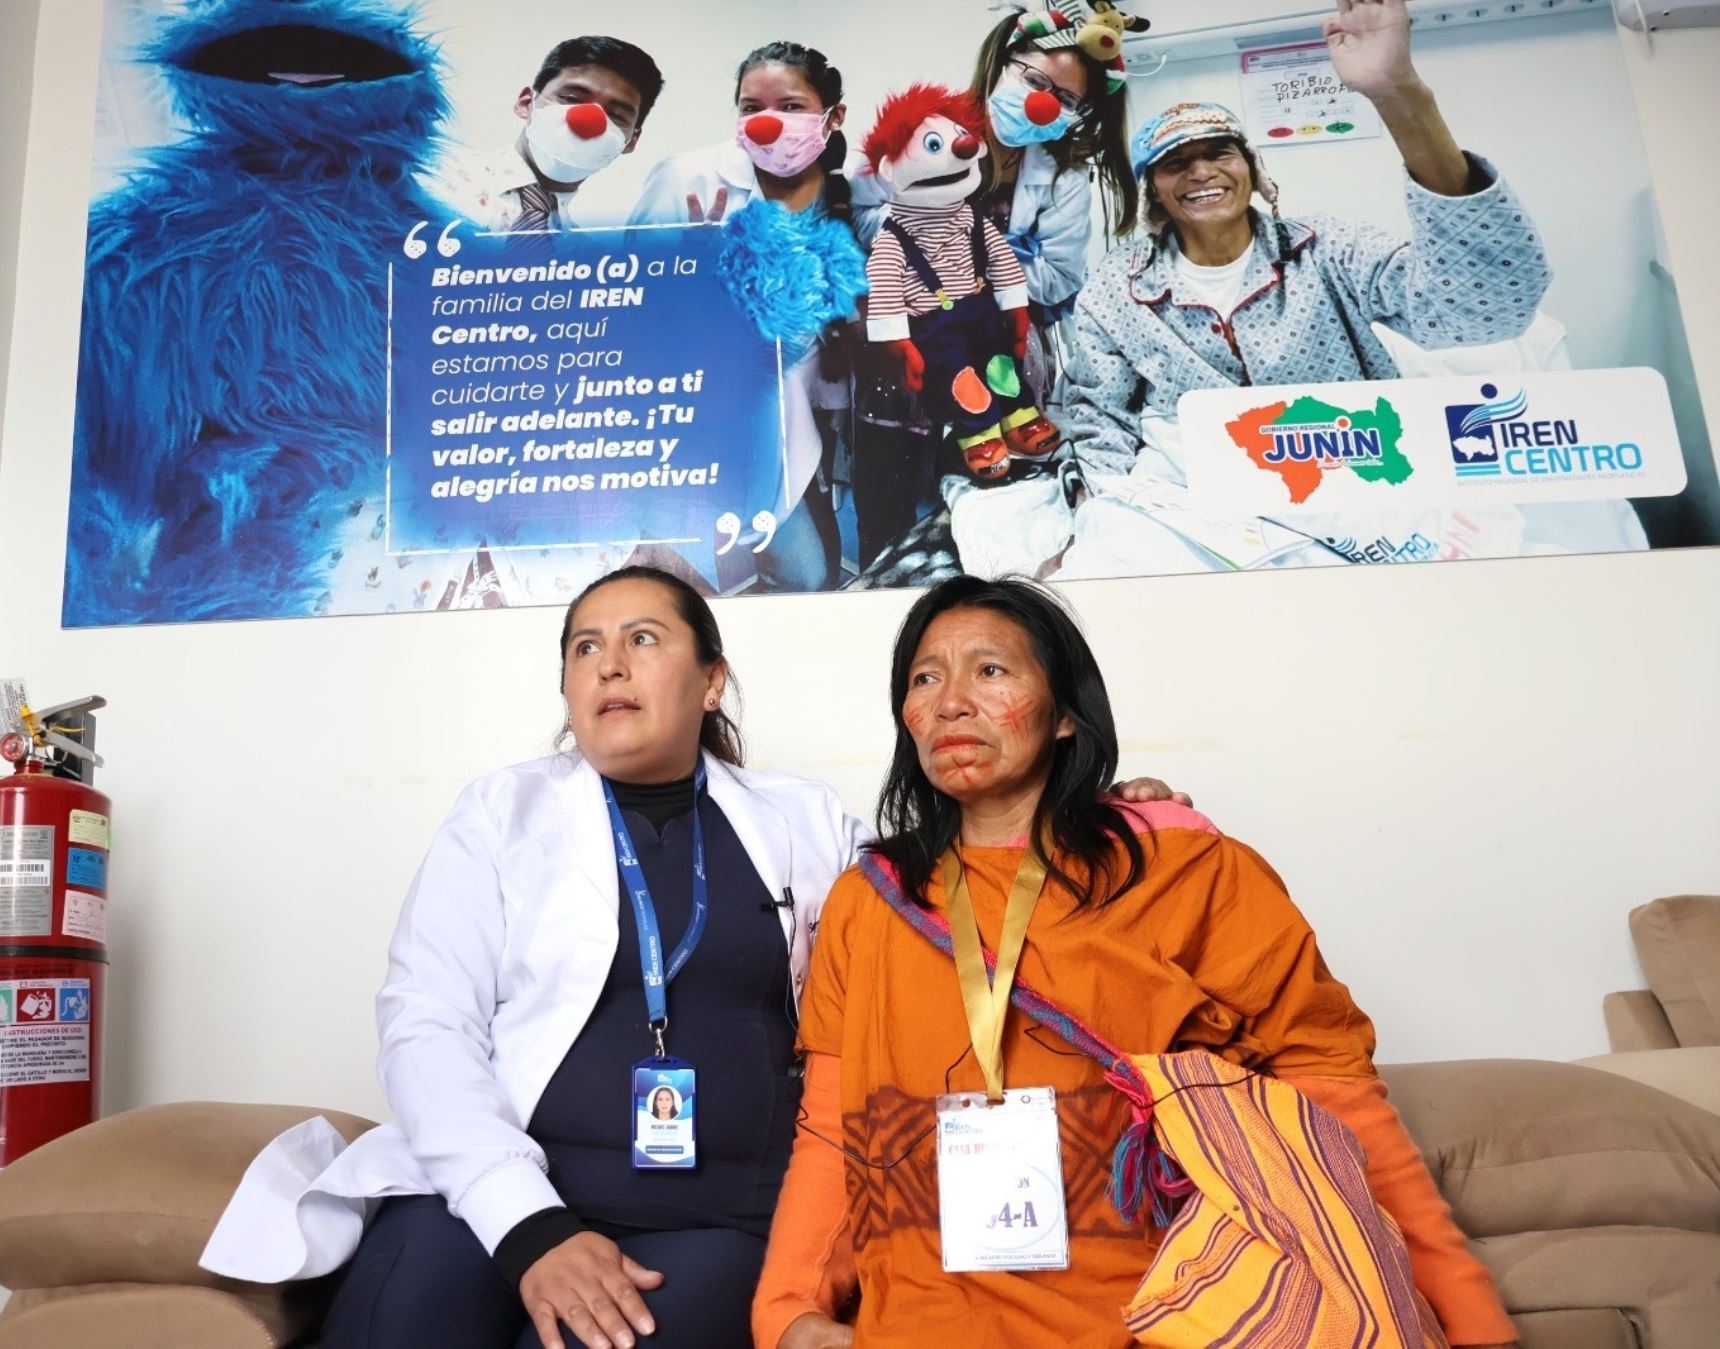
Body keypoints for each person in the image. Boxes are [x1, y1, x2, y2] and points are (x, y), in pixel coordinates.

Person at [196, 563, 1194, 1347]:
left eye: (642, 637)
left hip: (715, 1221)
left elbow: (951, 895)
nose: (609, 663)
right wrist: (530, 1227)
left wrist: (1092, 809)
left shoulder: (804, 820)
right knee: (408, 1313)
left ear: (711, 678)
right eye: (584, 645)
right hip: (496, 1196)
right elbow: (426, 1023)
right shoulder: (501, 813)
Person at [753, 575, 1520, 1349]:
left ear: (1064, 715)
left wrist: (1472, 1320)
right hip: (926, 1323)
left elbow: (1333, 1096)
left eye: (991, 670)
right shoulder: (870, 902)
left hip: (1168, 1314)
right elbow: (831, 1128)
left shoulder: (1183, 865)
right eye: (926, 677)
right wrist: (785, 1308)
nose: (952, 700)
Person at [1051, 0, 1636, 575]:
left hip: (1348, 464)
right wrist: (1101, 507)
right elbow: (1098, 410)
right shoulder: (1120, 288)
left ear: (1252, 171)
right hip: (1197, 481)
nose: (1201, 171)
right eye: (1176, 163)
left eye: (1219, 153)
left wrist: (1399, 95)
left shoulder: (1328, 250)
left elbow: (1478, 310)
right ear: (1154, 189)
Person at [849, 0, 1146, 572]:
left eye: (1066, 99)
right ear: (1000, 64)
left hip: (995, 364)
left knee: (983, 519)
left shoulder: (1061, 178)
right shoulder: (920, 134)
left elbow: (1059, 278)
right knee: (885, 520)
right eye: (1034, 79)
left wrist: (966, 264)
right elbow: (864, 221)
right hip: (903, 366)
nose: (1042, 102)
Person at [629, 44, 860, 592]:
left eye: (790, 105)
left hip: (799, 422)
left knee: (810, 579)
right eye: (750, 106)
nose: (767, 123)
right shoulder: (685, 179)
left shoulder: (850, 195)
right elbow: (629, 312)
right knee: (695, 588)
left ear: (834, 116)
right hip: (696, 420)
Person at [430, 36, 664, 232]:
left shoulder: (586, 264)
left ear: (631, 141)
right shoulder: (425, 174)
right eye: (571, 98)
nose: (590, 121)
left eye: (616, 115)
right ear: (525, 103)